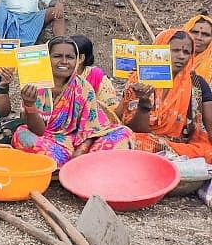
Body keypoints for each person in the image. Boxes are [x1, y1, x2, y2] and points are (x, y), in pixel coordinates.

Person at [12, 37, 133, 166]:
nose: (64, 61)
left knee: (123, 133)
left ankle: (77, 164)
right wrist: (29, 105)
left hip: (82, 141)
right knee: (22, 135)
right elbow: (38, 131)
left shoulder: (83, 88)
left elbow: (93, 129)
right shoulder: (37, 85)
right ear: (47, 59)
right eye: (57, 56)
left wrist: (81, 150)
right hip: (49, 141)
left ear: (77, 60)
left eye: (69, 57)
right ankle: (85, 165)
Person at [121, 29, 212, 161]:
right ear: (159, 50)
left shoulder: (196, 84)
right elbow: (136, 129)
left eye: (186, 52)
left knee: (207, 151)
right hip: (145, 139)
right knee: (131, 141)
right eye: (175, 50)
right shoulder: (140, 79)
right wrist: (144, 104)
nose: (181, 56)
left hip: (179, 145)